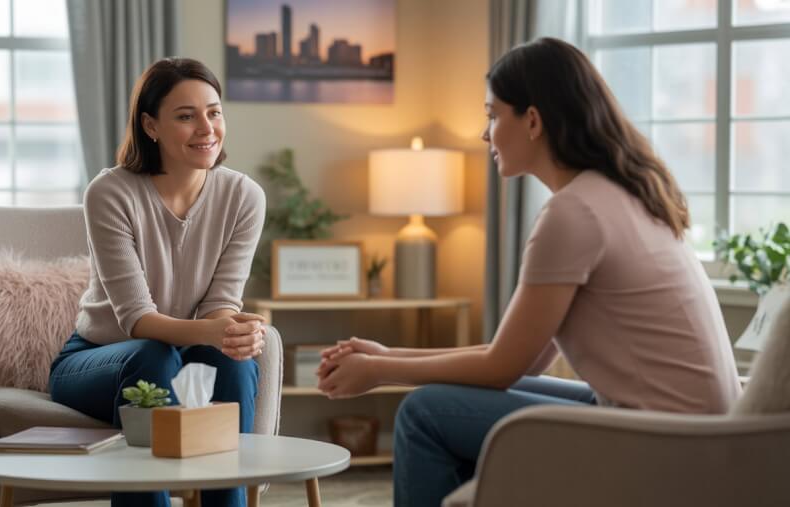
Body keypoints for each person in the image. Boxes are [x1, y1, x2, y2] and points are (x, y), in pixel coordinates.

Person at [316, 37, 741, 507]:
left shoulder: (574, 214)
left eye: (492, 115)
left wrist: (379, 370)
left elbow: (502, 367)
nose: (485, 134)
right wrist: (387, 356)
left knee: (423, 413)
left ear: (533, 120)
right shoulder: (618, 195)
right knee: (448, 394)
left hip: (667, 444)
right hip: (690, 430)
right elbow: (518, 358)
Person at [48, 58, 266, 507]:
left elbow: (222, 302)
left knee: (237, 361)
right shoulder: (110, 193)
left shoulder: (244, 196)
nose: (206, 128)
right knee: (152, 354)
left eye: (214, 112)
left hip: (184, 355)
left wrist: (232, 332)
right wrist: (214, 331)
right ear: (151, 125)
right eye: (186, 116)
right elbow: (137, 319)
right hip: (98, 360)